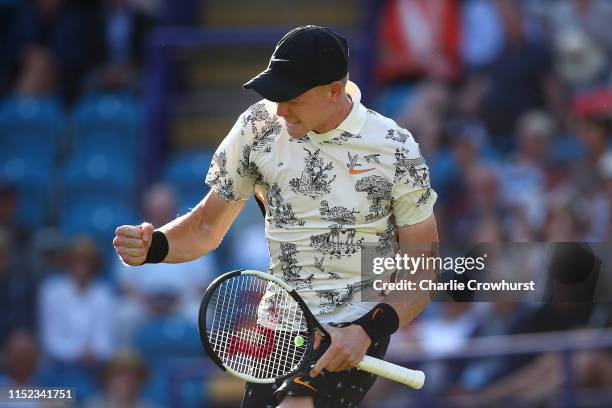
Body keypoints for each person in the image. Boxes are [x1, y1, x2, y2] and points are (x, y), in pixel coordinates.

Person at [114, 25, 438, 408]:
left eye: (292, 98)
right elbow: (205, 227)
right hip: (279, 328)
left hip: (355, 327)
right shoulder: (258, 126)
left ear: (334, 90)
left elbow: (421, 267)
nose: (280, 109)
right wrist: (157, 245)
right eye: (275, 95)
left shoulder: (395, 147)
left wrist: (367, 330)